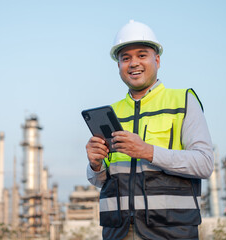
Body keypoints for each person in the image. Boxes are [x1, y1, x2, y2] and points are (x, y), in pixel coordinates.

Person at [86, 20, 214, 240]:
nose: (133, 63)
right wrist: (95, 164)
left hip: (171, 232)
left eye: (142, 55)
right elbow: (101, 181)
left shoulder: (183, 101)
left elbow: (204, 163)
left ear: (157, 60)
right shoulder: (112, 112)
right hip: (118, 232)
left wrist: (148, 151)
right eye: (126, 58)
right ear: (118, 65)